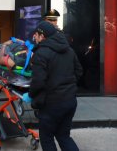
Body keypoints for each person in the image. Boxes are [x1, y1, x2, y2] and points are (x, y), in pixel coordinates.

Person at [22, 21, 83, 151]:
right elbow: (79, 71)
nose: (34, 37)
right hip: (70, 101)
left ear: (42, 36)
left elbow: (38, 81)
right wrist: (68, 86)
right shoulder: (69, 50)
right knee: (63, 136)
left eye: (36, 35)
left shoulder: (41, 53)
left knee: (47, 138)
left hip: (51, 104)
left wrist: (31, 95)